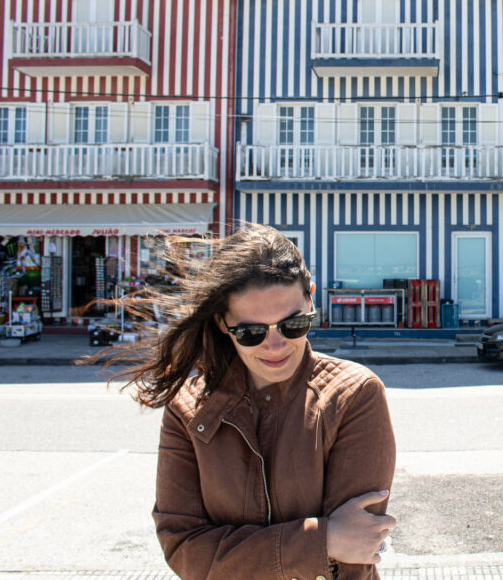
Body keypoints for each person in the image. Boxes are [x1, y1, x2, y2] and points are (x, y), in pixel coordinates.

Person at [112, 224, 397, 579]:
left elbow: (354, 558)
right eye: (251, 333)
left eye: (294, 324)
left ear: (311, 298)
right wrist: (321, 541)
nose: (275, 346)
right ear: (222, 323)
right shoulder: (186, 407)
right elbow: (184, 550)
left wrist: (236, 554)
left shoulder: (354, 395)